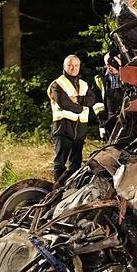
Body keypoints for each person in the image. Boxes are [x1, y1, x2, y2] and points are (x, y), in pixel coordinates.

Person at [48, 54, 105, 182]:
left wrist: (78, 99)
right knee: (60, 163)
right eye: (70, 65)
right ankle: (58, 189)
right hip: (63, 129)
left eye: (76, 65)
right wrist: (80, 108)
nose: (73, 68)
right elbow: (64, 103)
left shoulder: (83, 84)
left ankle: (72, 188)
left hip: (80, 131)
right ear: (64, 66)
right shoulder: (57, 84)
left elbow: (92, 99)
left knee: (76, 163)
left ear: (79, 67)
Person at [95, 49, 124, 140]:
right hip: (109, 117)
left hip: (124, 115)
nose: (109, 67)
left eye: (112, 63)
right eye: (107, 64)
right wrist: (101, 114)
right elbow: (96, 98)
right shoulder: (100, 79)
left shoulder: (127, 77)